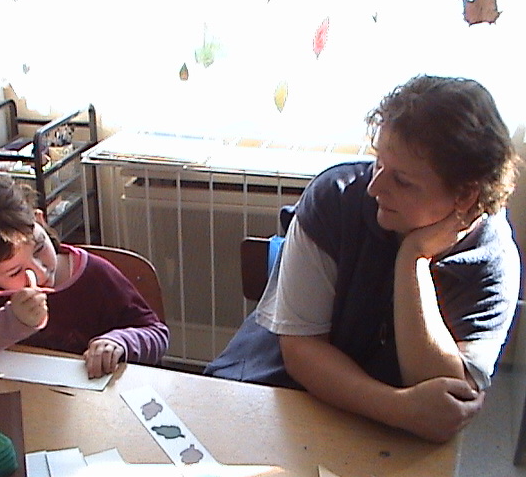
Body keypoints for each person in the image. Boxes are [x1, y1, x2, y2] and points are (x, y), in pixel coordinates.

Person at [204, 74, 521, 443]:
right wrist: (399, 408)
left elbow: (443, 398)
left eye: (402, 180)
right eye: (377, 162)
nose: (375, 187)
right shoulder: (335, 198)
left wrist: (413, 260)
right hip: (267, 392)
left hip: (381, 437)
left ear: (465, 196)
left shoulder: (492, 262)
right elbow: (301, 349)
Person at [0, 176, 169, 378]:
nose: (40, 271)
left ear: (40, 221)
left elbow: (156, 334)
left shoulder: (95, 274)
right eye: (15, 271)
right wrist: (13, 321)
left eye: (39, 248)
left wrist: (120, 342)